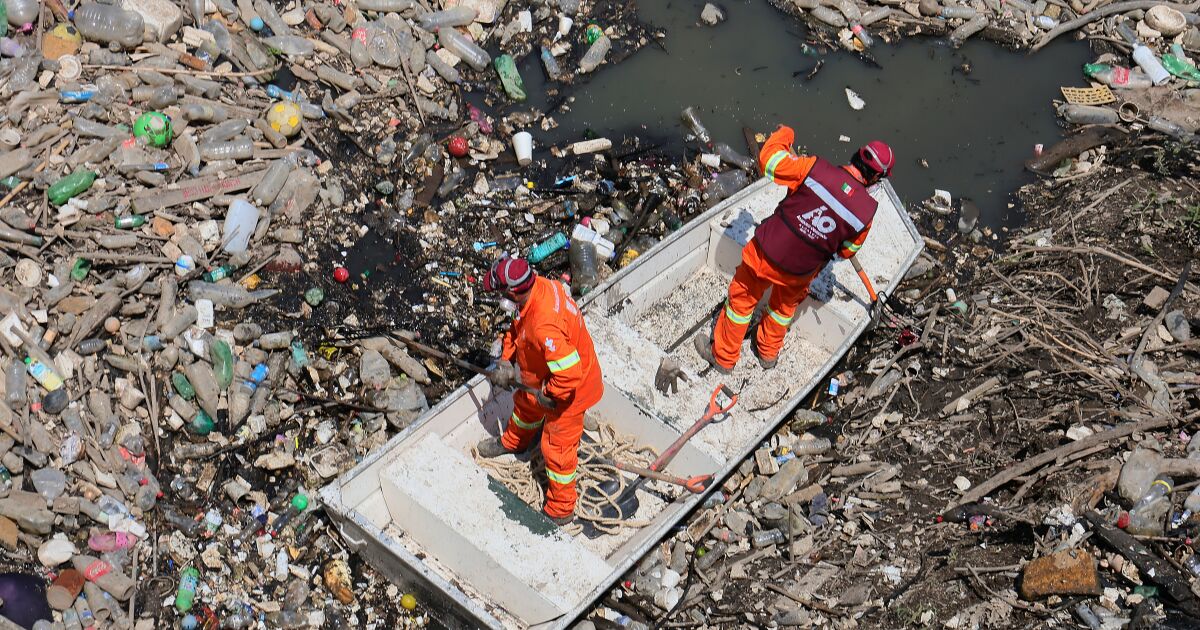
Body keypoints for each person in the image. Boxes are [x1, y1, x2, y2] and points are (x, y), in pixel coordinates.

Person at [695, 125, 895, 374]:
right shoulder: (867, 211)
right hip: (801, 271)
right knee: (781, 310)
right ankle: (767, 354)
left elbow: (768, 161)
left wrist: (785, 133)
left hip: (767, 253)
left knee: (741, 301)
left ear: (856, 154)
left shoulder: (814, 168)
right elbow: (846, 252)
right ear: (876, 178)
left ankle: (723, 358)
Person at [476, 256, 604, 526]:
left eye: (501, 293)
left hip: (570, 390)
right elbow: (518, 329)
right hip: (543, 375)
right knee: (525, 406)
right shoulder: (541, 288)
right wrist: (504, 361)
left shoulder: (544, 324)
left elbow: (569, 372)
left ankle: (561, 509)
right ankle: (514, 442)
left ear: (513, 291)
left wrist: (551, 392)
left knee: (556, 449)